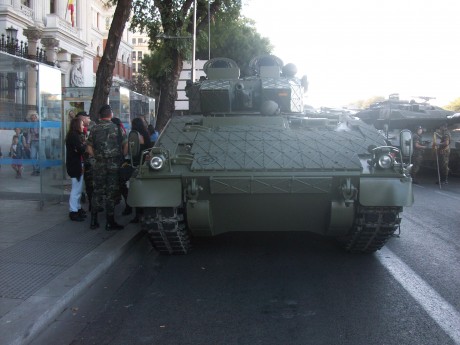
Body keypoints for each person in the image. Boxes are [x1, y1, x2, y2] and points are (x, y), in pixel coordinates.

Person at [87, 105, 128, 230]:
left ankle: (93, 221)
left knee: (97, 191)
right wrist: (122, 156)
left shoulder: (94, 129)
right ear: (111, 115)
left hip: (99, 164)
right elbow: (125, 145)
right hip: (113, 165)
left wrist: (98, 157)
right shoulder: (117, 128)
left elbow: (88, 148)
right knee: (111, 193)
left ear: (100, 116)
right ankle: (110, 222)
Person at [128, 117, 154, 223]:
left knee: (136, 190)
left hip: (136, 164)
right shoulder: (146, 135)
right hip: (144, 164)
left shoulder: (135, 135)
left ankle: (138, 215)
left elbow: (130, 151)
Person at [65, 117, 87, 222]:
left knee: (78, 189)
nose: (83, 126)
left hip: (76, 165)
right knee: (76, 190)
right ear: (77, 125)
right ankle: (73, 211)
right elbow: (80, 149)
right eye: (82, 124)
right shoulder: (73, 136)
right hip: (75, 166)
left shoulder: (74, 135)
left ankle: (77, 208)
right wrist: (85, 145)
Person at [77, 111, 94, 211]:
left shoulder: (93, 127)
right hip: (85, 161)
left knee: (92, 183)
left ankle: (93, 204)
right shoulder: (79, 129)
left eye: (82, 119)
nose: (82, 121)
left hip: (92, 160)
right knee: (87, 184)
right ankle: (90, 202)